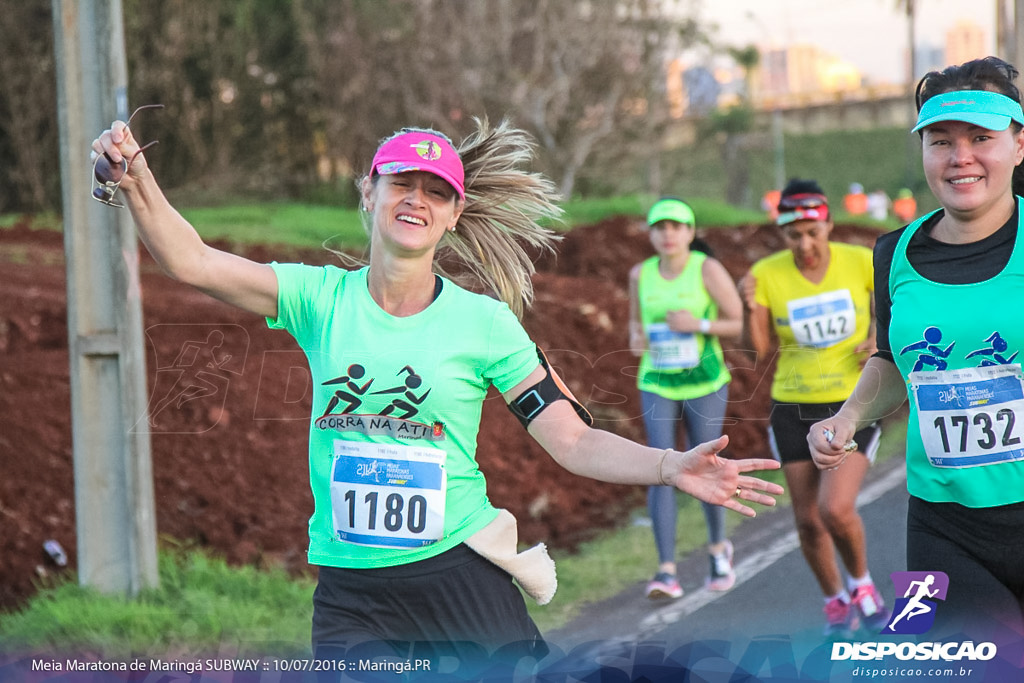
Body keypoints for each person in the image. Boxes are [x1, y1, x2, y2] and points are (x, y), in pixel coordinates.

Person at [91, 116, 784, 668]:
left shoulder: (484, 324)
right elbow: (190, 259)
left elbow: (571, 438)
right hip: (352, 592)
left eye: (435, 191)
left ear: (454, 214)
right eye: (401, 183)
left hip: (457, 574)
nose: (415, 200)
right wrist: (136, 177)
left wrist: (670, 464)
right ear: (369, 192)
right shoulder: (317, 298)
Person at [808, 55, 1024, 638]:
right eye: (940, 141)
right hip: (943, 521)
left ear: (1018, 145)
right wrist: (848, 417)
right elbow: (890, 359)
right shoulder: (894, 253)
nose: (961, 158)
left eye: (982, 138)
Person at [741, 178, 888, 638]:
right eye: (793, 235)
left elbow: (893, 307)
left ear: (827, 224)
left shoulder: (860, 260)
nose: (804, 244)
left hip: (853, 400)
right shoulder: (766, 273)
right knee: (806, 520)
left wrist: (878, 337)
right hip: (793, 404)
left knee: (835, 509)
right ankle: (835, 601)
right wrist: (749, 309)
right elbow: (753, 354)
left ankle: (863, 585)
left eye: (813, 232)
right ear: (781, 233)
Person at [628, 197, 745, 599]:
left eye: (676, 226)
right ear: (651, 234)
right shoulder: (639, 274)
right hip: (657, 381)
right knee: (659, 467)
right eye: (660, 227)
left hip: (705, 382)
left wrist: (698, 324)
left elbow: (736, 322)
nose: (668, 234)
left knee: (705, 465)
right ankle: (666, 571)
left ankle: (717, 549)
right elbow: (634, 324)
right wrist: (635, 337)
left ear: (690, 232)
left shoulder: (706, 269)